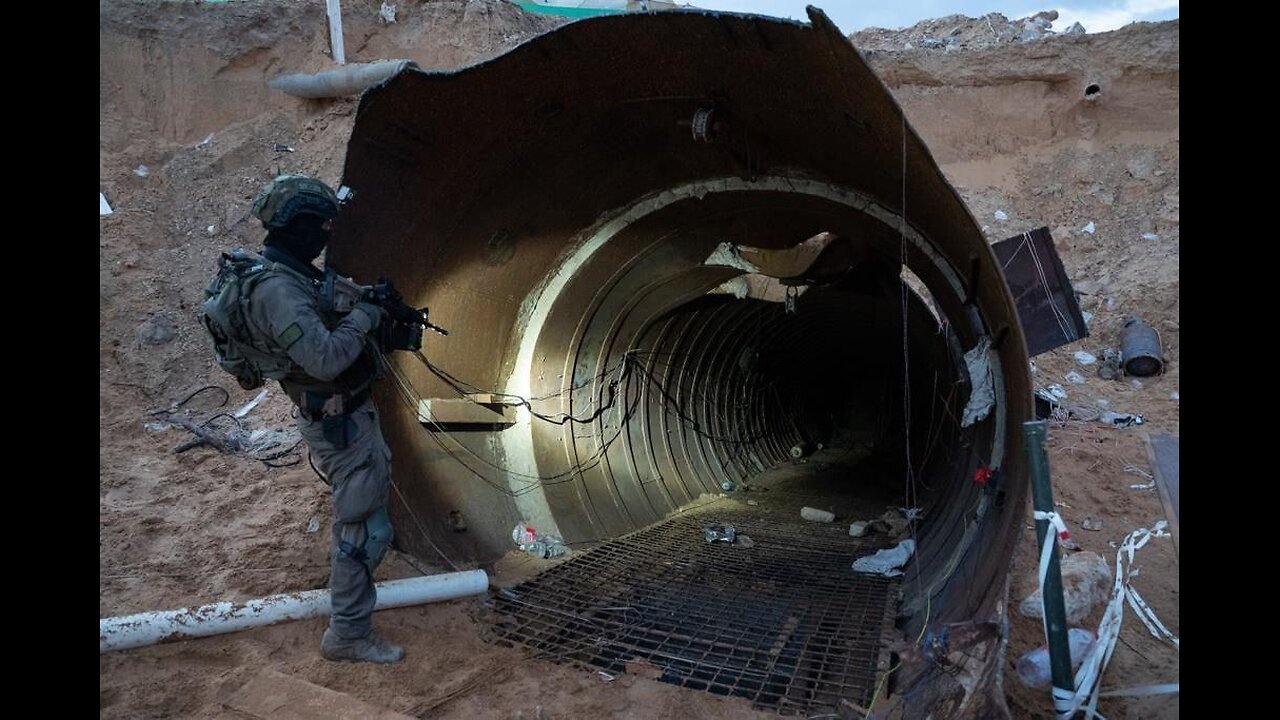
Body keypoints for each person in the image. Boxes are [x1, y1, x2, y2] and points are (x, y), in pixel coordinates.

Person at [236, 173, 403, 663]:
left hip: (346, 415)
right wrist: (365, 319)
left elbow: (323, 301)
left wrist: (364, 297)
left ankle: (350, 613)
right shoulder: (277, 290)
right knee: (359, 532)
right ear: (294, 226)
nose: (328, 234)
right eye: (321, 225)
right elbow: (325, 359)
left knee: (369, 520)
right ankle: (347, 635)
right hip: (338, 422)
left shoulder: (285, 271)